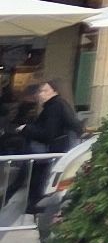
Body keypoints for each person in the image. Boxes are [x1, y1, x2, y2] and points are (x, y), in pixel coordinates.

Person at [2, 74, 79, 223]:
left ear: (54, 91)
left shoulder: (54, 107)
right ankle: (27, 203)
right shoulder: (57, 106)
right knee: (25, 181)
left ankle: (28, 204)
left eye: (45, 90)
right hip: (45, 152)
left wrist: (26, 129)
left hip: (45, 152)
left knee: (27, 181)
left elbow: (48, 133)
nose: (40, 94)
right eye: (40, 91)